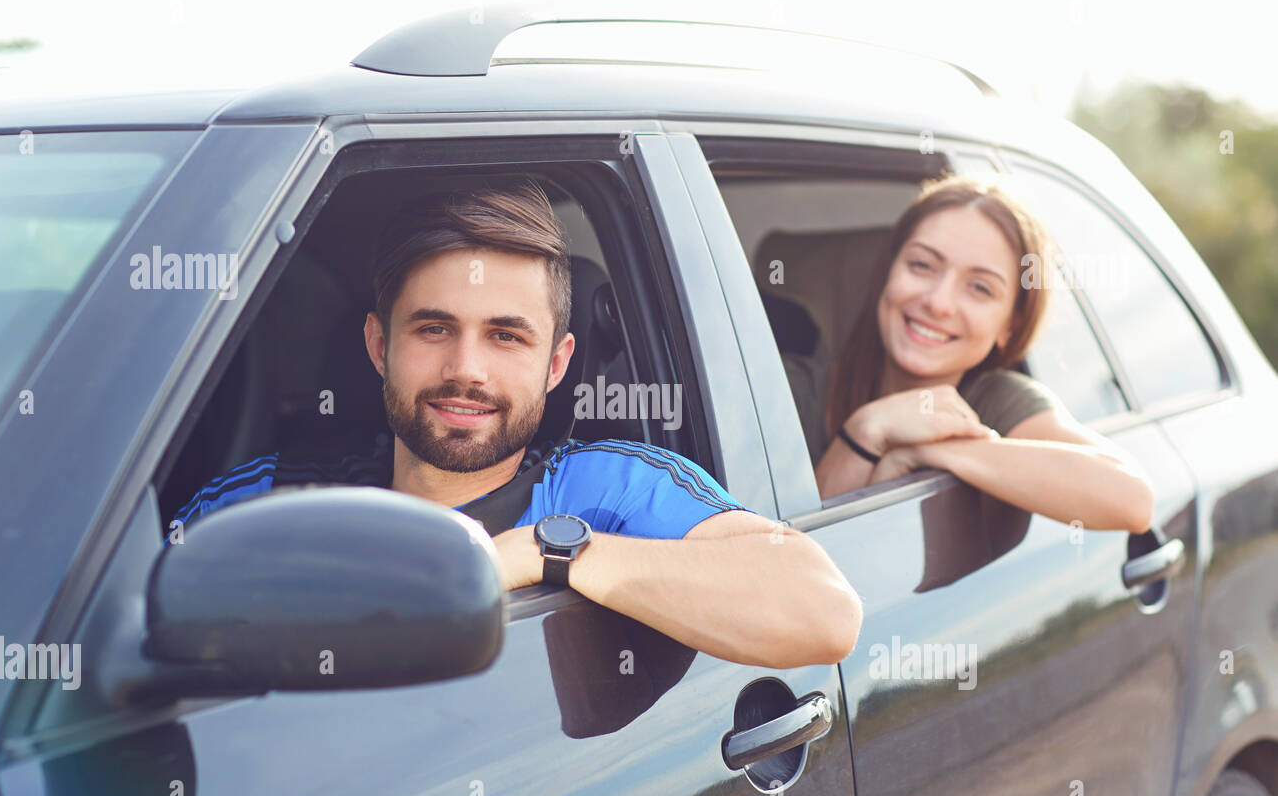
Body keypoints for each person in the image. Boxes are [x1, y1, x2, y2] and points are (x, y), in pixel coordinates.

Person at [166, 180, 862, 670]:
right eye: (434, 328)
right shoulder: (263, 499)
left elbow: (822, 611)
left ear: (558, 363)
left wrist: (540, 554)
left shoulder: (604, 487)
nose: (466, 369)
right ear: (379, 345)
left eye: (506, 337)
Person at [814, 174, 1154, 533]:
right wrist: (869, 428)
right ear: (889, 271)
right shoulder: (793, 386)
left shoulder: (997, 401)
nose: (939, 302)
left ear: (1009, 326)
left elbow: (1132, 499)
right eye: (922, 265)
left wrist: (932, 450)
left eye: (979, 288)